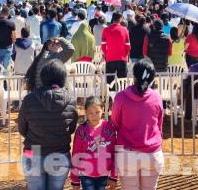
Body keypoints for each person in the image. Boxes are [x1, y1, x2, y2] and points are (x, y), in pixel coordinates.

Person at [18, 59, 78, 190]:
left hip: (32, 152)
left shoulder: (29, 99)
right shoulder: (71, 101)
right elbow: (71, 129)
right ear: (63, 78)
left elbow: (22, 128)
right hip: (60, 153)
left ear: (43, 77)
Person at [111, 59, 163, 190]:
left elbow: (115, 122)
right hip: (153, 153)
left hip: (128, 154)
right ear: (152, 77)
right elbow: (159, 123)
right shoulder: (157, 97)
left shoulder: (120, 97)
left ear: (133, 73)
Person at [70, 96, 118, 190]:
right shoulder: (81, 130)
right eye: (90, 113)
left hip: (104, 174)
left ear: (103, 110)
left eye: (97, 112)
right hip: (86, 174)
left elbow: (114, 153)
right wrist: (75, 179)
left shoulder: (109, 128)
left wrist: (113, 176)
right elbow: (76, 154)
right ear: (85, 112)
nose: (94, 116)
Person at [102, 13, 131, 87]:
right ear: (120, 19)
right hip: (122, 59)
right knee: (122, 83)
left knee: (110, 83)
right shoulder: (124, 30)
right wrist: (124, 55)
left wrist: (107, 54)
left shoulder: (106, 30)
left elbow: (103, 46)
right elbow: (128, 47)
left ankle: (112, 97)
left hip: (110, 59)